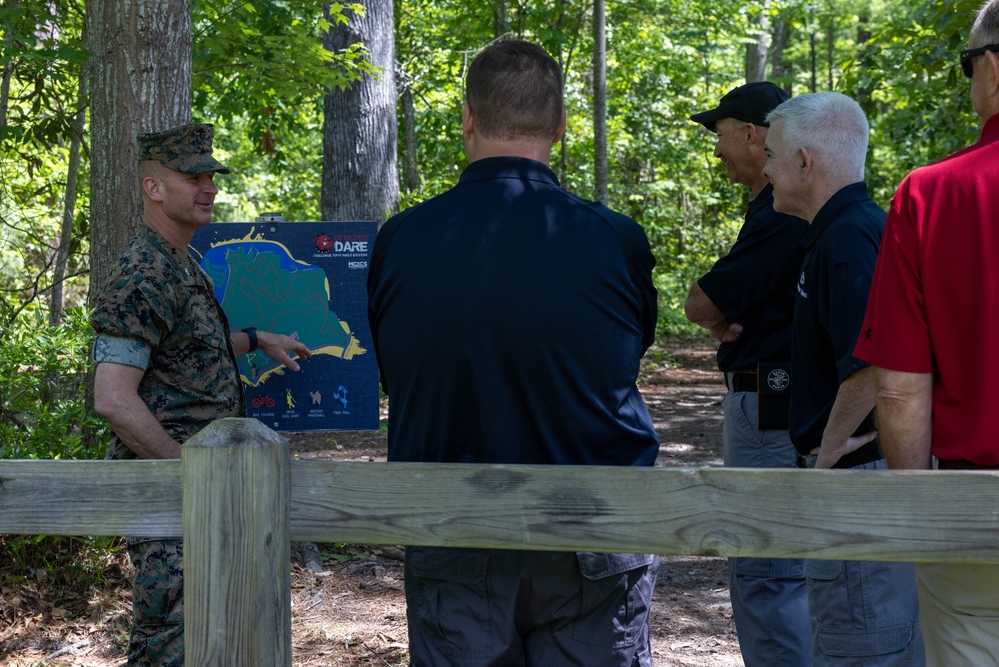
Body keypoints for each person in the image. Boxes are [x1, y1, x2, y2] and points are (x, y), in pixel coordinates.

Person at [367, 40, 659, 667]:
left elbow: (399, 376)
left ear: (467, 117)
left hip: (454, 529)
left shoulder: (402, 241)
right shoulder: (614, 239)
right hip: (594, 530)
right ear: (559, 126)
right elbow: (626, 357)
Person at [89, 123, 311, 667]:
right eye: (193, 176)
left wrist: (257, 339)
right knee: (174, 641)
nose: (208, 186)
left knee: (218, 631)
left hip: (202, 492)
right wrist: (187, 475)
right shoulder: (142, 270)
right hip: (174, 500)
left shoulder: (179, 260)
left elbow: (188, 351)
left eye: (210, 175)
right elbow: (114, 398)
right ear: (154, 188)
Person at [852, 1, 999, 663]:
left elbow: (902, 392)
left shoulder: (928, 197)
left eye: (967, 65)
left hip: (971, 516)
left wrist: (918, 518)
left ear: (991, 69)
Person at [760, 92, 924, 666]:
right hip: (864, 479)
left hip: (857, 483)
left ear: (806, 162)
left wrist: (827, 443)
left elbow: (875, 360)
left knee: (861, 647)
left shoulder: (849, 238)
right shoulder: (852, 228)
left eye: (774, 155)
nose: (765, 168)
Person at [685, 82, 811, 667]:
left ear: (751, 133)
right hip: (779, 402)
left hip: (770, 407)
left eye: (720, 132)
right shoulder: (778, 210)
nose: (715, 150)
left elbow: (700, 304)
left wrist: (715, 316)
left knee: (766, 570)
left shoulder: (782, 217)